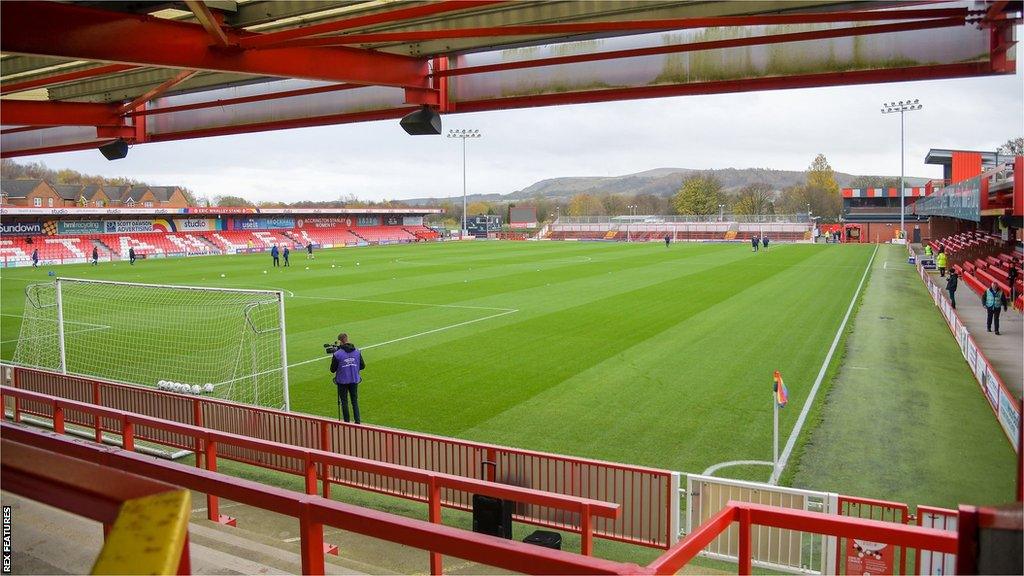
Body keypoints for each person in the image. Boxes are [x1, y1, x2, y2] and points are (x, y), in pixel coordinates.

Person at [330, 332, 365, 424]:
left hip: (342, 381)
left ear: (340, 341)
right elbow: (362, 366)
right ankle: (357, 421)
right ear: (347, 339)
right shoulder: (357, 351)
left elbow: (332, 369)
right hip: (354, 379)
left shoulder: (338, 354)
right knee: (354, 401)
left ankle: (346, 422)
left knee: (344, 402)